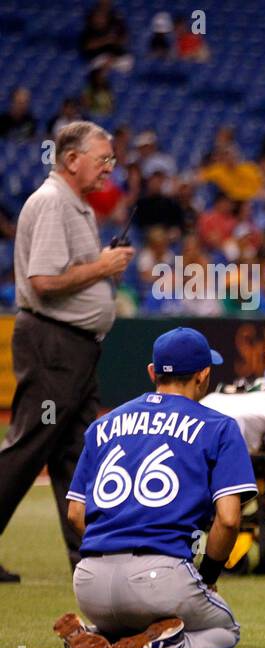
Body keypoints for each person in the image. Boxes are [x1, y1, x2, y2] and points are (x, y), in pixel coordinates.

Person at [54, 328, 255, 648]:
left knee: (135, 614)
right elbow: (229, 520)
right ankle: (170, 643)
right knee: (225, 629)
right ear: (204, 375)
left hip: (89, 582)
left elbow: (76, 514)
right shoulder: (219, 427)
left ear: (152, 372)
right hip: (159, 579)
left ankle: (96, 632)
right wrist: (206, 577)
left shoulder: (103, 425)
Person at [0, 121, 133, 583]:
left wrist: (99, 265)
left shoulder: (75, 205)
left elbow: (66, 273)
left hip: (74, 348)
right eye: (103, 159)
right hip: (54, 345)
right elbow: (44, 282)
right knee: (30, 445)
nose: (109, 170)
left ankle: (88, 560)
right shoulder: (54, 201)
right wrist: (103, 266)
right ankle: (88, 558)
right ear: (72, 159)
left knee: (75, 454)